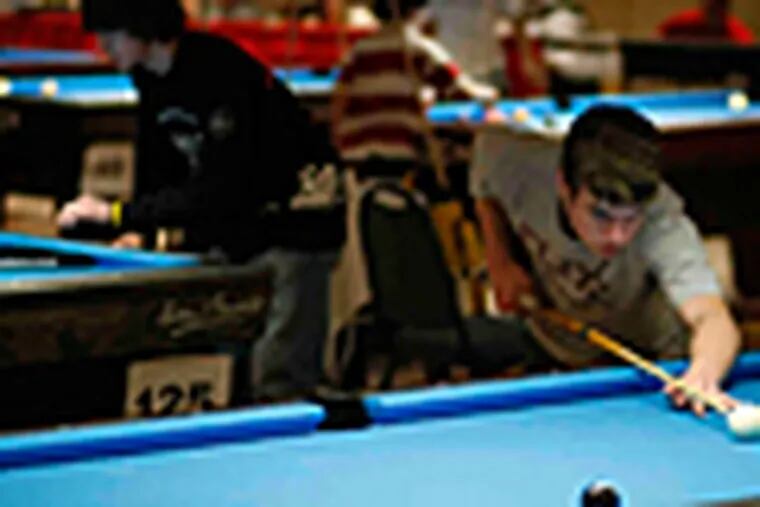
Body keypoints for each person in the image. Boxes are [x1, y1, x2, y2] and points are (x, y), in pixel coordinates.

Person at [58, 0, 344, 403]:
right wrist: (140, 230)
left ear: (142, 25)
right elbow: (159, 162)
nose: (103, 46)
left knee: (279, 374)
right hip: (243, 217)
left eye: (110, 34)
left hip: (300, 216)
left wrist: (119, 215)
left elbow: (224, 188)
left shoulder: (220, 70)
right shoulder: (149, 76)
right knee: (227, 354)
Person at [473, 104, 741, 416]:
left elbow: (712, 317)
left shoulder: (663, 223)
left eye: (632, 218)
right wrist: (501, 260)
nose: (617, 236)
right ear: (564, 187)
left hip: (655, 359)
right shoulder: (514, 160)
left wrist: (704, 374)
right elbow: (485, 183)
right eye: (600, 215)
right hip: (561, 342)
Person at [332, 0, 497, 182]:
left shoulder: (359, 50)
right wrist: (492, 94)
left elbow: (340, 99)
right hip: (399, 149)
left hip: (355, 150)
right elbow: (461, 91)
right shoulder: (418, 47)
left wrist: (337, 140)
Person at [658, 0, 754, 44]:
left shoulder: (735, 30)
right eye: (711, 7)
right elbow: (658, 37)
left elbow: (748, 50)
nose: (715, 11)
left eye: (719, 5)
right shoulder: (686, 21)